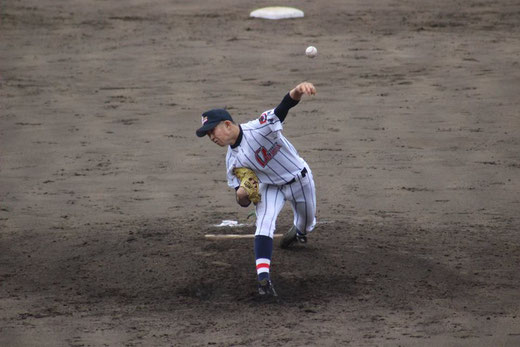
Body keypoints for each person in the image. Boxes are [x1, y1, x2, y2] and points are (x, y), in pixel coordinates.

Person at [196, 82, 318, 297]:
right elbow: (241, 200)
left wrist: (298, 90)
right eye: (207, 135)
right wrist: (243, 194)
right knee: (264, 224)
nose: (211, 137)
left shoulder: (259, 127)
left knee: (307, 224)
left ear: (227, 124)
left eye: (212, 131)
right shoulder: (232, 161)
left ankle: (298, 231)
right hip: (271, 187)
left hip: (300, 179)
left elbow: (283, 107)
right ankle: (264, 280)